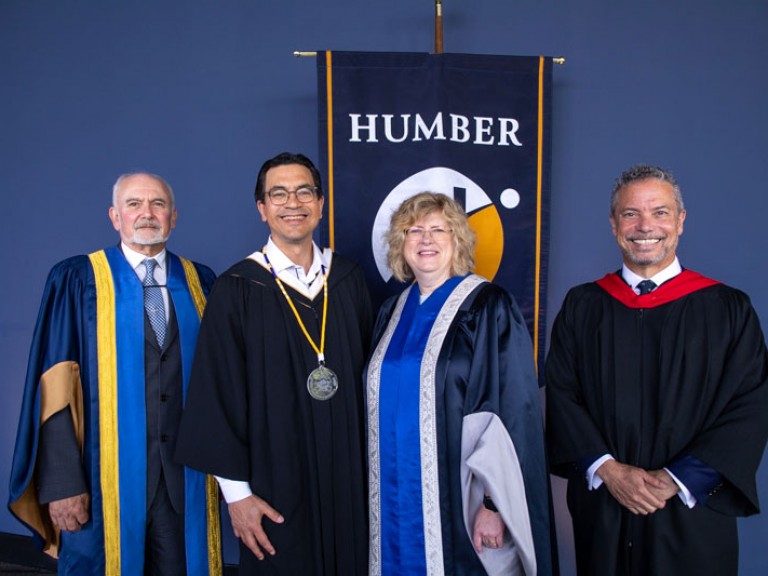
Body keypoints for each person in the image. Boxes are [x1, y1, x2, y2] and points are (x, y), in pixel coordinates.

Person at [545, 164, 768, 576]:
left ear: (680, 221)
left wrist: (677, 479)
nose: (645, 226)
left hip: (691, 508)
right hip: (604, 509)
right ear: (614, 224)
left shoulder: (728, 309)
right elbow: (561, 393)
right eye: (631, 213)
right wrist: (608, 471)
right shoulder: (583, 306)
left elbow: (750, 404)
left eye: (660, 212)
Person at [8, 173, 221, 575]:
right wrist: (64, 484)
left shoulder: (201, 281)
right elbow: (55, 388)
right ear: (114, 216)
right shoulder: (77, 279)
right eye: (134, 204)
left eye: (157, 204)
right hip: (101, 481)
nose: (146, 213)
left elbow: (219, 384)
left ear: (174, 217)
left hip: (186, 480)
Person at [175, 152, 373, 575]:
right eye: (278, 194)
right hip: (274, 486)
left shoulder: (350, 280)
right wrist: (237, 497)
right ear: (262, 209)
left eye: (304, 192)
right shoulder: (237, 288)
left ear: (321, 204)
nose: (293, 203)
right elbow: (216, 395)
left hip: (349, 484)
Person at [366, 192, 555, 576]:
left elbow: (513, 409)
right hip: (391, 500)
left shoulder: (487, 306)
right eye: (414, 230)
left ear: (458, 241)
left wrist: (494, 505)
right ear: (400, 244)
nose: (426, 239)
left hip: (461, 500)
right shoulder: (391, 311)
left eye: (439, 229)